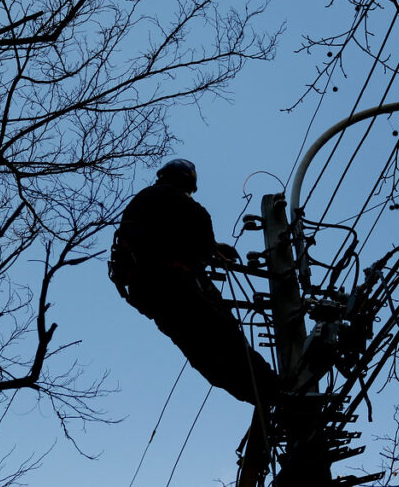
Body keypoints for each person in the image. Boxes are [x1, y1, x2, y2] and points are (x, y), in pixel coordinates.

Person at [109, 159, 279, 405]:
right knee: (225, 339)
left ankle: (262, 395)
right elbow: (198, 226)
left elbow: (166, 236)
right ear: (185, 182)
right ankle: (273, 391)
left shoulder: (142, 201)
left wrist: (210, 249)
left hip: (148, 293)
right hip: (174, 284)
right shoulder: (176, 201)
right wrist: (211, 249)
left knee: (205, 355)